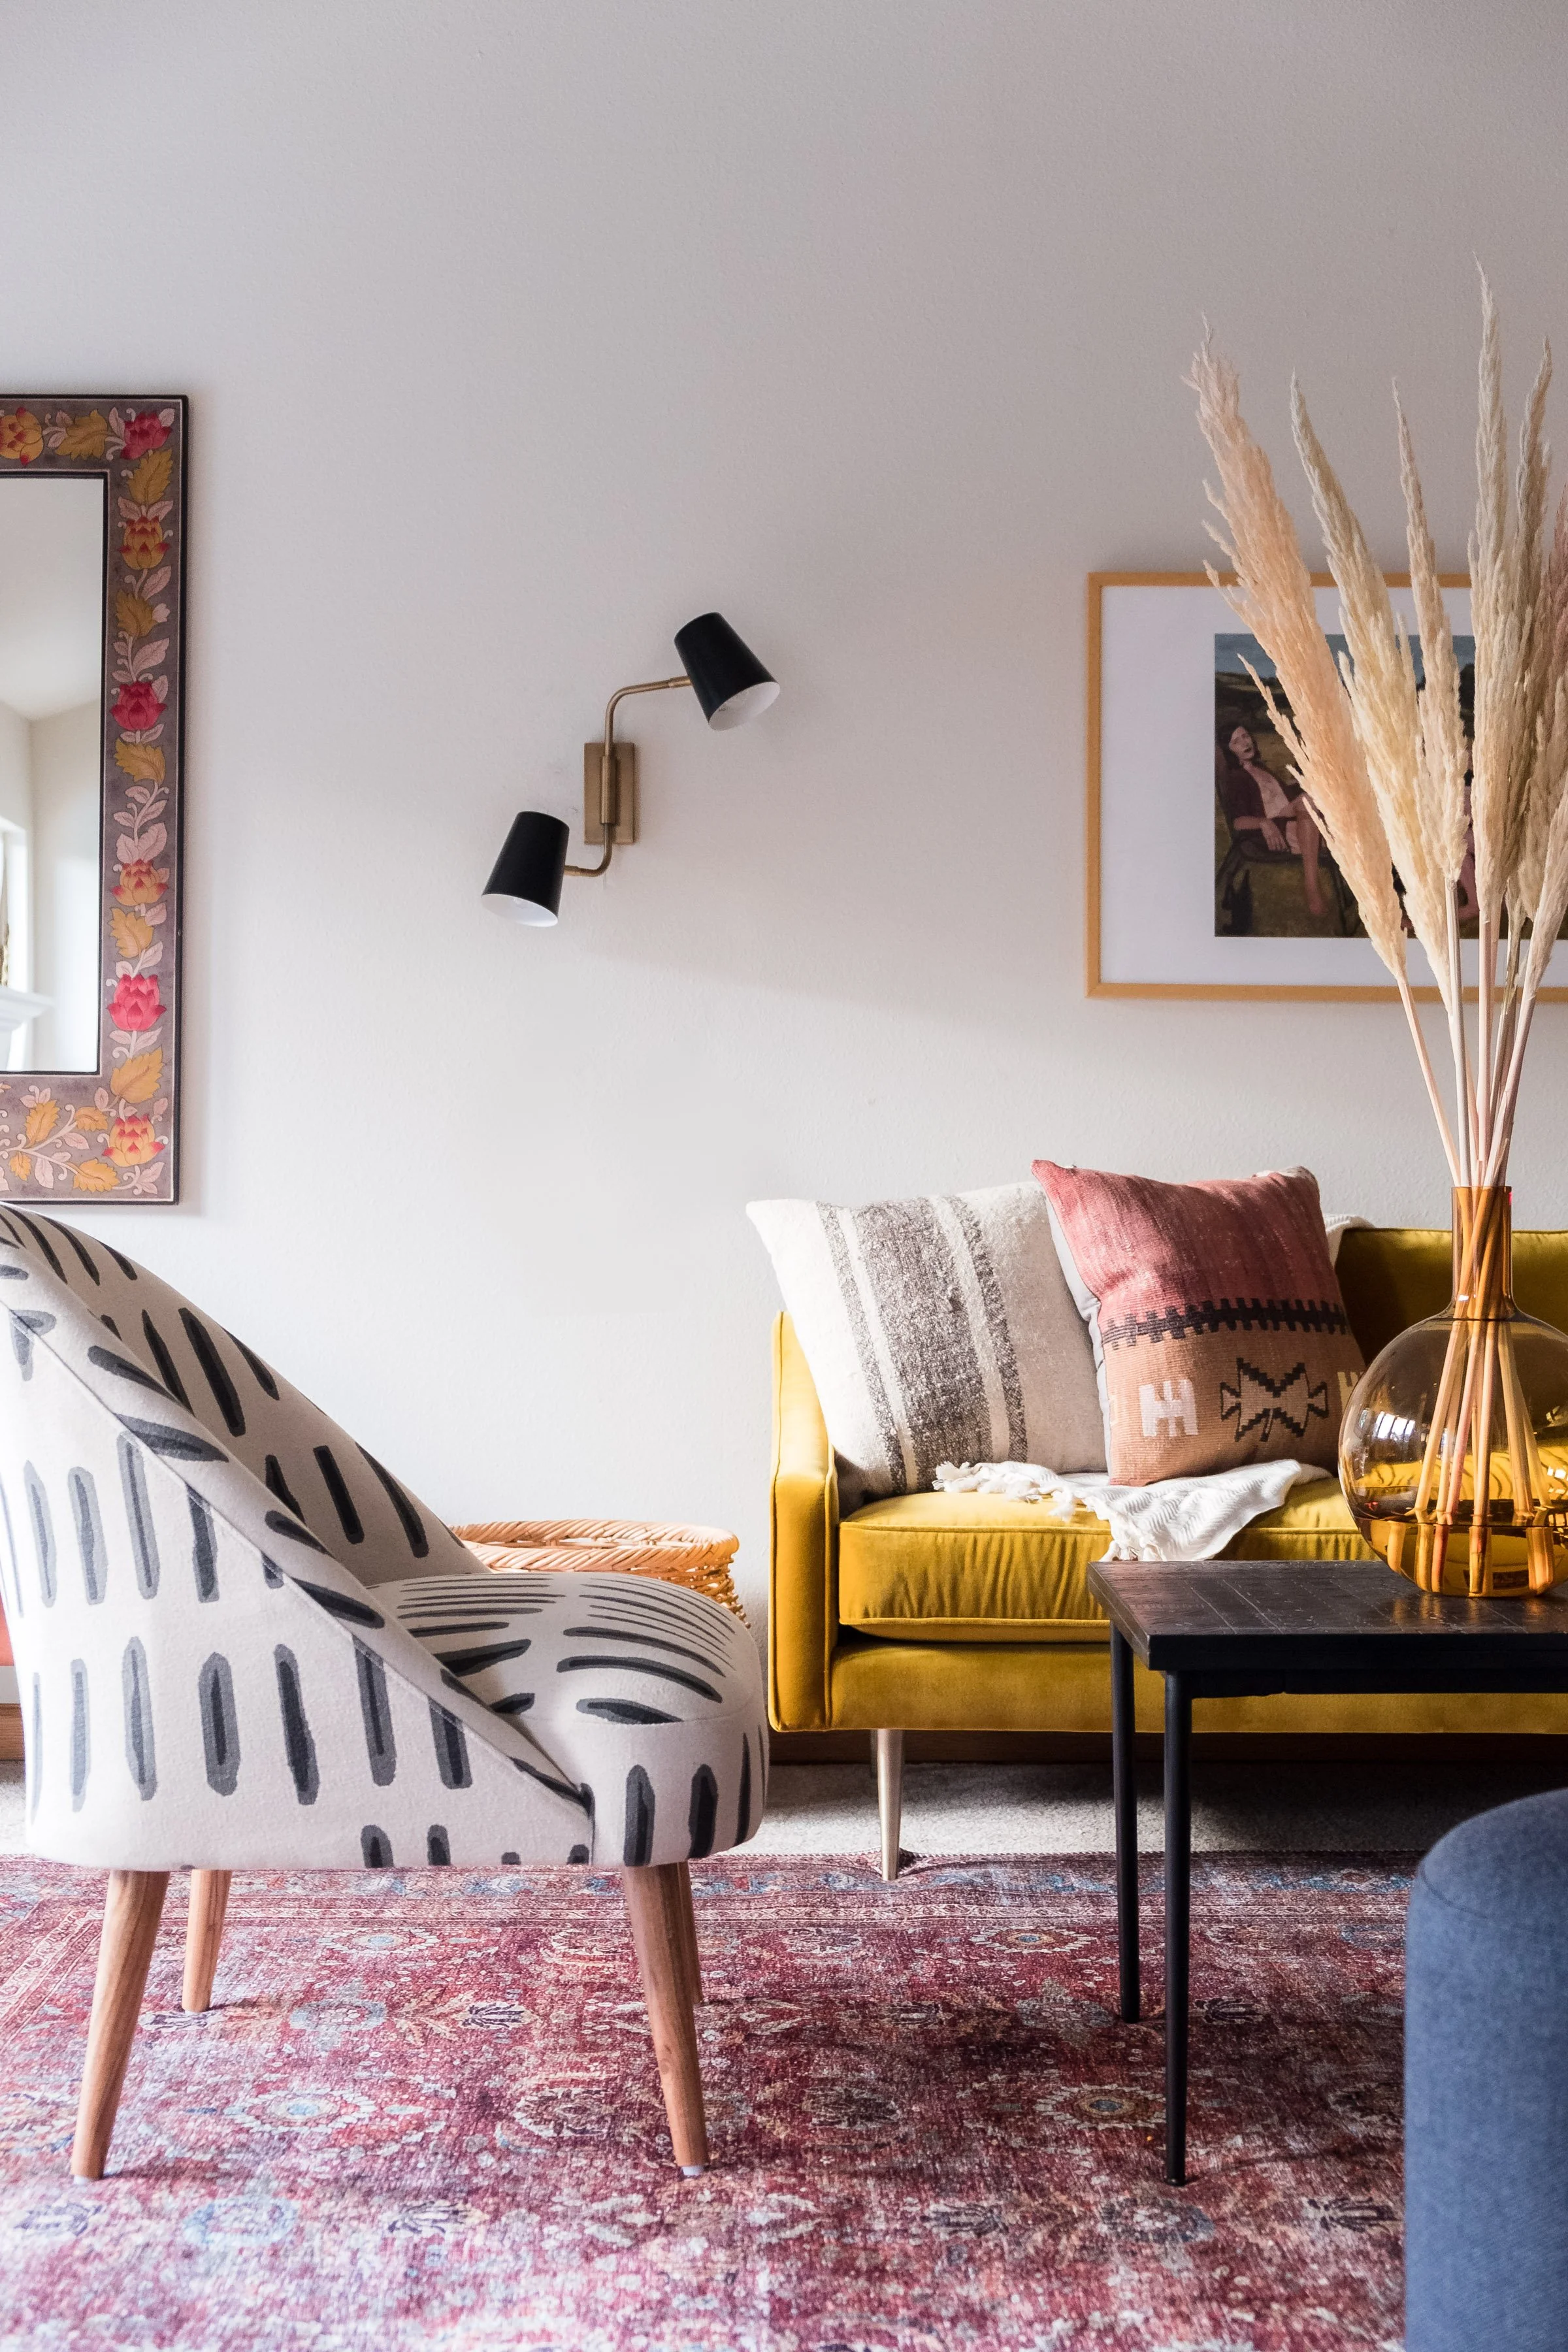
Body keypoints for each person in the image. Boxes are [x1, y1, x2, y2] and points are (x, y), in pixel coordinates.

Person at [1215, 711, 1328, 919]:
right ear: (1230, 751)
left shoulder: (1262, 769)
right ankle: (1312, 886)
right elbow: (1238, 822)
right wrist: (1264, 823)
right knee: (1309, 801)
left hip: (1297, 819)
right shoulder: (1237, 778)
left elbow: (1286, 799)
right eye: (1236, 741)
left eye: (1246, 736)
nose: (1244, 742)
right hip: (1279, 829)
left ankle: (1392, 911)